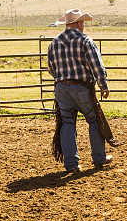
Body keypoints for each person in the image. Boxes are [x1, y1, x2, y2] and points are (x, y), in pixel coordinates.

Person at [47, 9, 112, 173]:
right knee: (94, 119)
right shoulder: (85, 40)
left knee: (67, 123)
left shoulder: (54, 43)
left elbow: (51, 69)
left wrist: (63, 77)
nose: (83, 25)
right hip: (81, 87)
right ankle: (99, 158)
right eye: (82, 22)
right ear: (77, 23)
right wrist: (103, 85)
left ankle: (71, 164)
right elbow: (96, 65)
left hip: (61, 87)